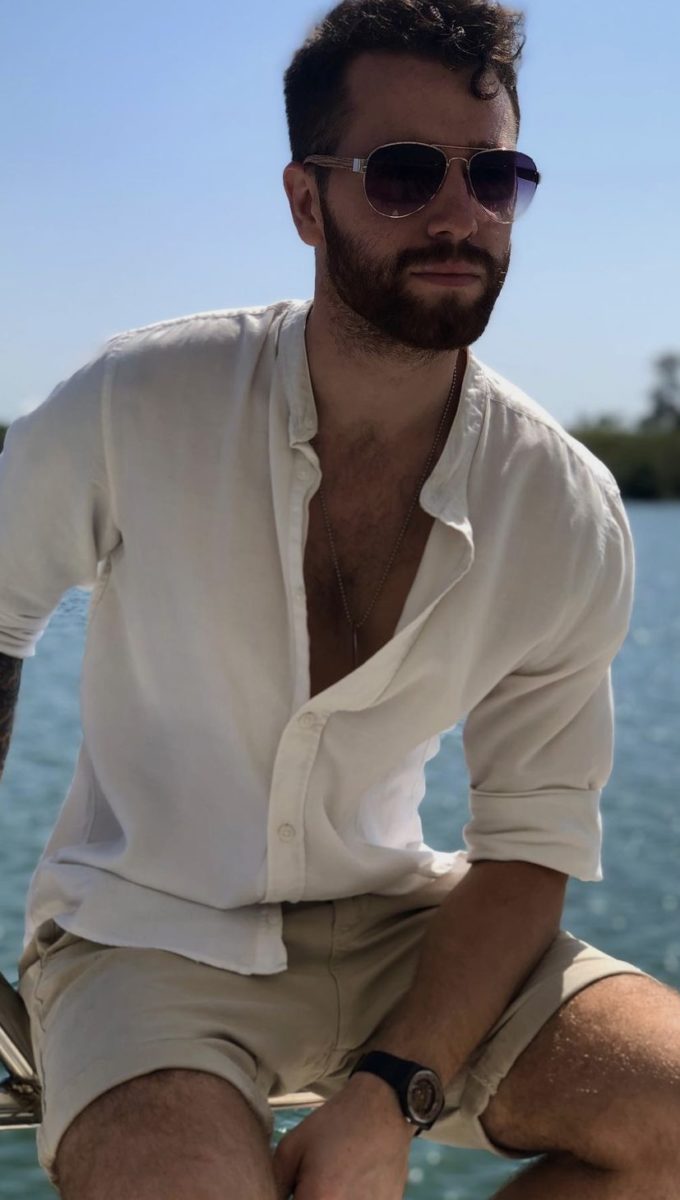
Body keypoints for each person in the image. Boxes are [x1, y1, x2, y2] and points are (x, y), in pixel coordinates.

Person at [1, 1, 679, 1197]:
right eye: (405, 173)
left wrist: (391, 1089)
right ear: (306, 202)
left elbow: (527, 843)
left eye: (493, 176)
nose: (458, 214)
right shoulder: (136, 402)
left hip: (396, 930)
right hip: (140, 934)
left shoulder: (561, 508)